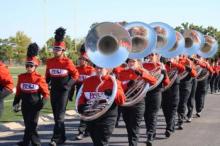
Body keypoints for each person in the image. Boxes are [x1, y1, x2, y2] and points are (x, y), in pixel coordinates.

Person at [46, 27, 79, 145]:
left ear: (63, 50)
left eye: (58, 49)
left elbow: (76, 75)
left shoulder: (68, 62)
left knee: (60, 116)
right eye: (54, 48)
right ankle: (63, 137)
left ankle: (55, 139)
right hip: (54, 90)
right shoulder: (49, 61)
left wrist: (68, 86)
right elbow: (47, 75)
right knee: (57, 117)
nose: (55, 51)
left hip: (64, 91)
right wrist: (46, 84)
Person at [77, 65, 126, 146]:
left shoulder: (115, 82)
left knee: (103, 141)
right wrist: (81, 105)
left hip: (108, 116)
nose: (98, 70)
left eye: (101, 68)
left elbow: (122, 101)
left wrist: (114, 91)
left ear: (107, 69)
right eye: (96, 67)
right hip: (92, 116)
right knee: (96, 141)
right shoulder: (88, 81)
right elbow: (83, 96)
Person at [13, 43, 49, 146]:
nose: (29, 67)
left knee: (31, 125)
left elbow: (46, 94)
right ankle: (26, 141)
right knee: (28, 124)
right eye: (27, 65)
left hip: (35, 105)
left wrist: (41, 104)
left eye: (31, 65)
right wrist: (15, 102)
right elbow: (19, 91)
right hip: (25, 105)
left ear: (35, 66)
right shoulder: (21, 77)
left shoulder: (39, 78)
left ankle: (36, 143)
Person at [118, 58, 157, 146]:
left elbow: (153, 81)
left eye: (133, 61)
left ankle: (133, 144)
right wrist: (127, 84)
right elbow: (119, 86)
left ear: (137, 63)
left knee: (135, 124)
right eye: (129, 61)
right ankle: (132, 142)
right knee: (128, 124)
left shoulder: (142, 71)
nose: (131, 63)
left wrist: (142, 74)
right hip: (126, 101)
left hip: (138, 101)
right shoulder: (122, 73)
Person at [142, 54, 170, 146]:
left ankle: (150, 135)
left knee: (153, 114)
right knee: (146, 114)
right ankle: (150, 132)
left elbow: (167, 83)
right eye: (150, 55)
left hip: (156, 92)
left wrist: (164, 72)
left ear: (158, 56)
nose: (151, 56)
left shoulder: (160, 66)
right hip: (145, 92)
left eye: (153, 55)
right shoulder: (143, 65)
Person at [75, 44, 96, 140]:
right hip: (79, 92)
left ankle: (86, 131)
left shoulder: (91, 70)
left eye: (82, 59)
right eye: (80, 58)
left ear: (87, 60)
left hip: (89, 93)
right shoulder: (76, 69)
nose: (80, 60)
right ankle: (83, 131)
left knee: (88, 112)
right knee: (82, 111)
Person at [161, 57, 185, 137]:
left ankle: (169, 128)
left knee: (173, 108)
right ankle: (171, 125)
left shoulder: (176, 63)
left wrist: (172, 62)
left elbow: (183, 68)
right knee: (166, 109)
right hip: (164, 89)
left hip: (174, 88)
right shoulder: (162, 63)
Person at [177, 55, 197, 130]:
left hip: (186, 84)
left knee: (183, 102)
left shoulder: (189, 61)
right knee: (177, 103)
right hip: (176, 84)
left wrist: (190, 69)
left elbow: (194, 74)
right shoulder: (175, 60)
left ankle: (182, 119)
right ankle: (180, 117)